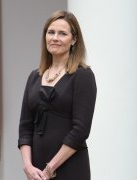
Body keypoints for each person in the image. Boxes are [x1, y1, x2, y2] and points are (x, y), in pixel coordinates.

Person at [17, 10, 97, 180]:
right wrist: (28, 167)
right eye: (50, 32)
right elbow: (25, 128)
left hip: (70, 168)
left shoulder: (83, 75)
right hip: (36, 171)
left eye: (62, 33)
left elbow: (80, 131)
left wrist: (49, 169)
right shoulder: (34, 77)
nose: (55, 38)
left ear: (74, 39)